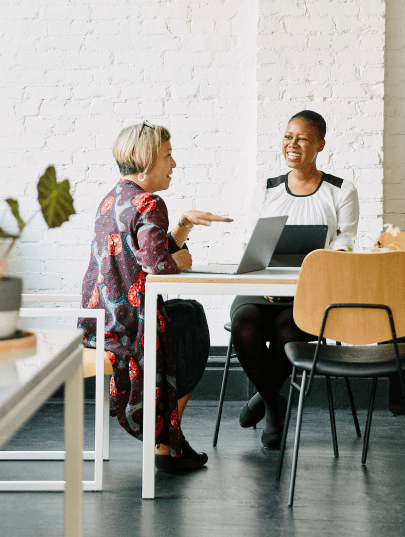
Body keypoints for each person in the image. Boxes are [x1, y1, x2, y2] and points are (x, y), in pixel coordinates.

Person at [78, 121, 232, 471]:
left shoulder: (112, 198)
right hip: (130, 327)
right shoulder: (149, 202)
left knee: (186, 313)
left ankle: (168, 437)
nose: (174, 163)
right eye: (168, 155)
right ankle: (166, 441)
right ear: (147, 162)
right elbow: (159, 267)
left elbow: (144, 254)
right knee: (191, 321)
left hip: (99, 322)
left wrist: (183, 224)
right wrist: (178, 258)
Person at [231, 110, 359, 450]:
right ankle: (276, 402)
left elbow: (345, 244)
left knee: (287, 331)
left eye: (302, 138)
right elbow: (250, 243)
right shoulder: (267, 189)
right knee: (244, 324)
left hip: (310, 294)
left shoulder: (341, 191)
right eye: (288, 137)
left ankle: (264, 400)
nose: (293, 144)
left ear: (320, 144)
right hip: (262, 291)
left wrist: (327, 260)